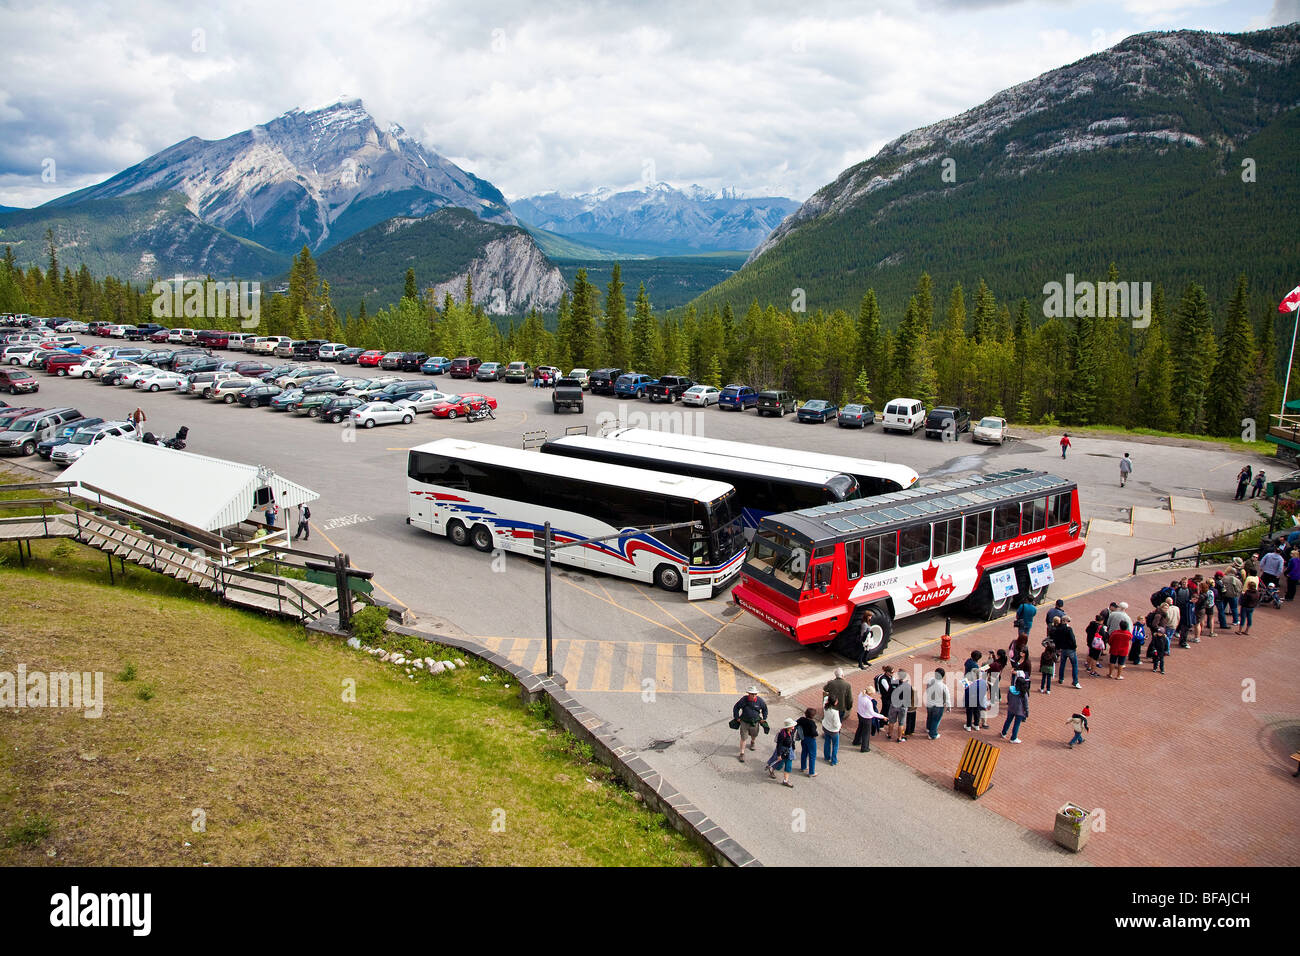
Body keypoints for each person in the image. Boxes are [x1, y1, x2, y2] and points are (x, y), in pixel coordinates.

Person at [731, 686, 769, 761]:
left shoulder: (760, 701)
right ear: (749, 693)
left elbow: (765, 709)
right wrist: (737, 717)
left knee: (754, 735)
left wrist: (764, 719)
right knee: (743, 737)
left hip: (755, 722)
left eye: (755, 694)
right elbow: (736, 707)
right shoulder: (743, 700)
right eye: (752, 694)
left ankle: (752, 742)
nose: (753, 695)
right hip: (744, 722)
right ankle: (742, 753)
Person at [765, 718, 797, 787]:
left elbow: (792, 741)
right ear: (789, 727)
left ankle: (785, 781)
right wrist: (779, 755)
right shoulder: (782, 734)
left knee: (789, 766)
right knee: (779, 765)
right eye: (792, 725)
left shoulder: (792, 731)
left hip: (789, 751)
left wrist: (793, 748)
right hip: (782, 751)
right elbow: (779, 745)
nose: (794, 726)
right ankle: (772, 768)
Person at [1000, 671, 1028, 743]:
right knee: (1016, 724)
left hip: (1011, 708)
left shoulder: (1011, 689)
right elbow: (1026, 703)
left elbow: (1008, 698)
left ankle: (1003, 733)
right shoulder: (1024, 693)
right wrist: (1026, 711)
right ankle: (1013, 738)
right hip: (1019, 711)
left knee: (1008, 721)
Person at [1052, 616, 1080, 688]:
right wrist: (1074, 647)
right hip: (1070, 649)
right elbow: (1073, 639)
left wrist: (1058, 648)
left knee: (1062, 664)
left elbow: (1056, 639)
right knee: (1074, 665)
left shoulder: (1058, 629)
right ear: (1065, 621)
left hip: (1063, 649)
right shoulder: (1069, 629)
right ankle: (1075, 681)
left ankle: (1061, 678)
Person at [924, 668, 951, 740]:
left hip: (929, 703)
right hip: (938, 705)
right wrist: (948, 706)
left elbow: (927, 690)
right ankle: (932, 734)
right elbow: (947, 697)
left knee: (929, 716)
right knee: (935, 720)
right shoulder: (943, 686)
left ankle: (928, 728)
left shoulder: (930, 681)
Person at [886, 671, 910, 742]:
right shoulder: (907, 686)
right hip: (902, 706)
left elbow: (889, 693)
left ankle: (889, 734)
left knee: (891, 721)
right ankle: (899, 738)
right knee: (901, 723)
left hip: (893, 704)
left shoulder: (893, 683)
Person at [962, 667, 989, 732]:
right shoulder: (982, 682)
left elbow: (966, 690)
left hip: (970, 699)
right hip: (978, 699)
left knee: (969, 713)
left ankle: (968, 726)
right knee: (977, 712)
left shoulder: (968, 681)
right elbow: (985, 690)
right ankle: (976, 725)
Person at [795, 708, 820, 777]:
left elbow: (796, 723)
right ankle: (811, 772)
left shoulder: (801, 719)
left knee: (804, 752)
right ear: (813, 716)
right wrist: (816, 734)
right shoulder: (812, 723)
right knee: (812, 755)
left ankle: (803, 767)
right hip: (811, 740)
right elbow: (814, 733)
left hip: (803, 738)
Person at [873, 666, 894, 737]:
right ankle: (880, 724)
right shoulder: (883, 680)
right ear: (887, 672)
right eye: (891, 672)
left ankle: (884, 721)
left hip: (889, 697)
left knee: (887, 710)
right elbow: (888, 689)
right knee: (884, 710)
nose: (892, 673)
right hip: (886, 697)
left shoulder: (890, 677)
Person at [821, 699, 842, 766]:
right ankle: (834, 760)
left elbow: (826, 698)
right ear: (834, 703)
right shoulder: (835, 712)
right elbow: (836, 724)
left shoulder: (825, 706)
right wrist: (839, 726)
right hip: (833, 731)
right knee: (835, 745)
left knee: (827, 742)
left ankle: (827, 757)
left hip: (826, 727)